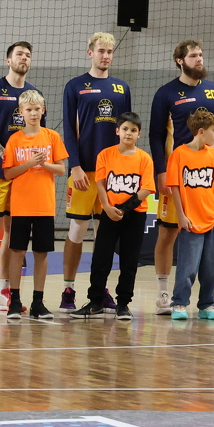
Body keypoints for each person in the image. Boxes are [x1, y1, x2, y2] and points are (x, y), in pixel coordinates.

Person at [149, 39, 214, 315]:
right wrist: (161, 171)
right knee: (168, 232)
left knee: (206, 236)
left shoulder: (213, 89)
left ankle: (208, 299)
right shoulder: (166, 93)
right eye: (193, 56)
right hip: (176, 173)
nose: (199, 59)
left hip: (203, 177)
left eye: (201, 55)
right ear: (180, 60)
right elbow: (155, 135)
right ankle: (164, 293)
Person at [60, 32, 132, 312]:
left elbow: (126, 131)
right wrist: (75, 166)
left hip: (112, 175)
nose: (106, 56)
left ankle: (100, 290)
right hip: (83, 172)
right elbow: (69, 130)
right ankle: (68, 289)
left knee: (105, 235)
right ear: (90, 53)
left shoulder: (121, 88)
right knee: (77, 230)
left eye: (110, 51)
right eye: (101, 51)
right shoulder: (75, 86)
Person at [70, 111, 154, 322]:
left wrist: (124, 209)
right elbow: (100, 183)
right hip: (108, 213)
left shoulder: (144, 158)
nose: (128, 133)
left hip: (134, 216)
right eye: (125, 129)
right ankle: (95, 302)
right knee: (101, 258)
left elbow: (146, 188)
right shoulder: (105, 155)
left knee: (129, 260)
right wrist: (107, 207)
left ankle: (123, 304)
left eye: (133, 130)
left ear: (139, 134)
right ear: (117, 131)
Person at [0, 41, 36, 308]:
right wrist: (6, 154)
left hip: (24, 176)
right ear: (8, 60)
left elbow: (38, 135)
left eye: (27, 55)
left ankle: (4, 290)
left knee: (14, 235)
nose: (24, 58)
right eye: (19, 54)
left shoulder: (34, 95)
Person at [1, 89, 67, 320]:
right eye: (29, 109)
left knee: (41, 252)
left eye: (37, 109)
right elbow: (8, 173)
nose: (33, 113)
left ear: (43, 110)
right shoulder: (15, 139)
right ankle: (15, 301)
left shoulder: (52, 136)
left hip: (44, 205)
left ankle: (38, 302)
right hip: (21, 205)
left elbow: (61, 169)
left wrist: (45, 164)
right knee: (17, 252)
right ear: (21, 112)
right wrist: (30, 163)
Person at [164, 110, 214, 321]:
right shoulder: (179, 154)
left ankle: (207, 304)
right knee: (188, 267)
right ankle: (179, 303)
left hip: (213, 220)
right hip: (191, 221)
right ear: (201, 131)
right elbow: (174, 188)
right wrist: (181, 215)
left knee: (211, 269)